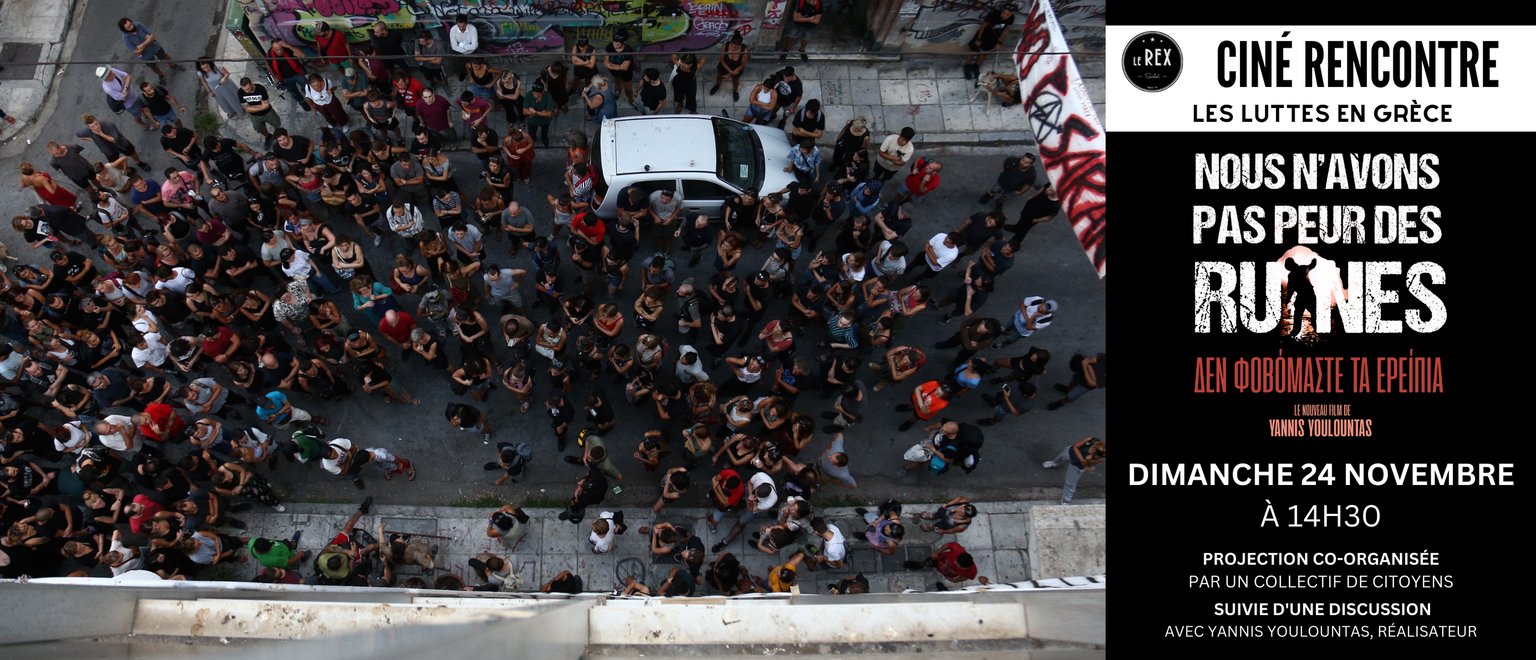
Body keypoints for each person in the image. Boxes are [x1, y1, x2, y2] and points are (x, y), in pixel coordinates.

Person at [1043, 436, 1106, 504]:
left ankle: (1066, 500)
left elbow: (1087, 464)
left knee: (1070, 483)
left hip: (1077, 466)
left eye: (1097, 454)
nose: (1094, 453)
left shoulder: (1101, 458)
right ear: (1095, 445)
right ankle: (1055, 463)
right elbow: (1075, 447)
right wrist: (1082, 459)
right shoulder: (1091, 440)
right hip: (1070, 453)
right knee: (1061, 457)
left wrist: (1088, 460)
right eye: (1095, 450)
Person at [906, 541, 990, 590]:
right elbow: (948, 545)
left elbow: (966, 577)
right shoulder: (958, 550)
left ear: (966, 567)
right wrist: (937, 552)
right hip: (938, 559)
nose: (955, 563)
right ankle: (920, 565)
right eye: (956, 561)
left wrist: (954, 580)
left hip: (947, 572)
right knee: (928, 561)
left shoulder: (972, 571)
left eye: (958, 565)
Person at [965, 4, 1017, 80]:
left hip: (993, 38)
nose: (1004, 16)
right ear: (1002, 10)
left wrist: (999, 43)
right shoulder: (993, 14)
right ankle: (967, 65)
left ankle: (975, 66)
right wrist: (978, 39)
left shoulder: (1011, 18)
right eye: (1003, 13)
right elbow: (982, 27)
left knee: (985, 53)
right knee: (973, 50)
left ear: (1011, 14)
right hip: (983, 35)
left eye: (1008, 14)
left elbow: (1006, 30)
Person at [710, 32, 750, 102]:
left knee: (735, 80)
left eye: (735, 47)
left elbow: (742, 65)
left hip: (737, 68)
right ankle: (717, 85)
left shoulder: (744, 51)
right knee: (719, 76)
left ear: (739, 45)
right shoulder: (725, 46)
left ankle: (735, 90)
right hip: (724, 66)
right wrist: (730, 72)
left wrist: (731, 73)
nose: (732, 47)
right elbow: (722, 60)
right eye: (731, 45)